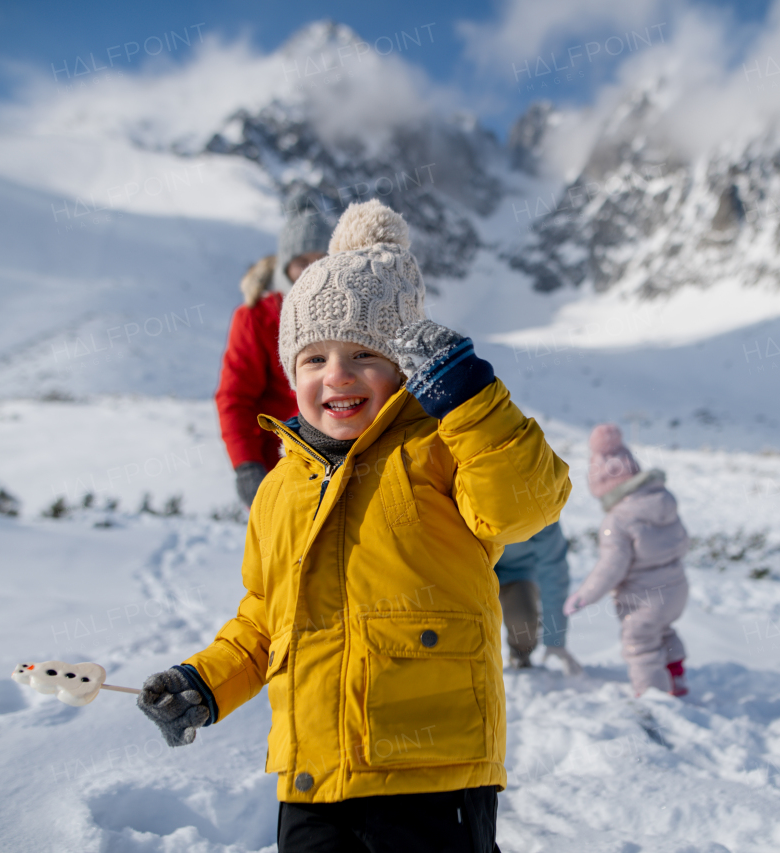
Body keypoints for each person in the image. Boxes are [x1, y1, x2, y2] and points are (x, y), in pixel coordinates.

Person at [137, 199, 571, 853]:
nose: (336, 373)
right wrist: (205, 682)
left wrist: (471, 401)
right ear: (291, 372)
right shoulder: (281, 487)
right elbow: (264, 618)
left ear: (402, 366)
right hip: (312, 778)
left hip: (432, 774)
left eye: (364, 352)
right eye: (313, 358)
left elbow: (527, 501)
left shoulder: (439, 445)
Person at [216, 187, 332, 506]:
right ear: (285, 267)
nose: (311, 270)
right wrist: (246, 466)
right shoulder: (257, 318)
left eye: (321, 260)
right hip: (281, 470)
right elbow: (235, 397)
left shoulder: (345, 316)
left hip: (344, 467)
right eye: (301, 261)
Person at [563, 424, 689, 697]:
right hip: (677, 589)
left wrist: (584, 596)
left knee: (640, 643)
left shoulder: (617, 520)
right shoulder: (663, 499)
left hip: (645, 599)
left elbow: (611, 567)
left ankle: (654, 698)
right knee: (664, 631)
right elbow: (683, 540)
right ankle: (676, 677)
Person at [495, 522, 582, 675]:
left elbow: (553, 574)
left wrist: (555, 640)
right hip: (474, 567)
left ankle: (520, 658)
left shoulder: (541, 512)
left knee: (522, 621)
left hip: (517, 571)